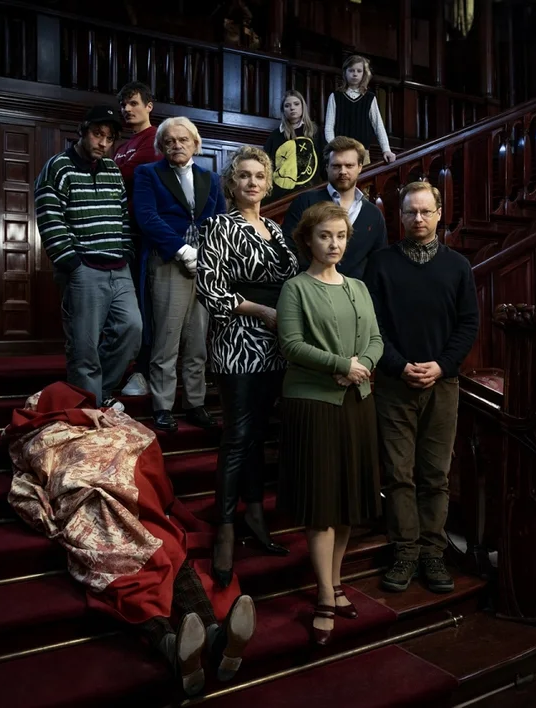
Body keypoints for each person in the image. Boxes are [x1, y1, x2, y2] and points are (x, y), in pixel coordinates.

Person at [4, 382, 257, 697]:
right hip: (90, 507)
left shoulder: (102, 419)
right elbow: (32, 475)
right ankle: (177, 644)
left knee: (163, 546)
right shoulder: (38, 436)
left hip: (129, 504)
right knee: (127, 563)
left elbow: (138, 441)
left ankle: (213, 636)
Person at [365, 181, 479, 594]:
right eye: (410, 212)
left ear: (439, 214)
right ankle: (405, 552)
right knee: (398, 474)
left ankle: (433, 552)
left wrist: (442, 366)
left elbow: (469, 324)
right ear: (400, 216)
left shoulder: (458, 266)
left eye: (425, 211)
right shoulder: (381, 263)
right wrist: (399, 366)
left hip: (442, 384)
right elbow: (372, 324)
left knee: (435, 474)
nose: (418, 218)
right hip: (394, 384)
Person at [277, 202, 383, 646]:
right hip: (313, 404)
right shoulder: (295, 288)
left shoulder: (358, 287)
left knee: (345, 502)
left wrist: (362, 367)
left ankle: (336, 582)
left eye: (340, 236)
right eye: (325, 236)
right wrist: (341, 365)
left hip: (357, 402)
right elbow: (290, 345)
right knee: (322, 504)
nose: (334, 244)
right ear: (309, 240)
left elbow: (376, 339)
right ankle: (324, 594)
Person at [196, 146, 300, 586]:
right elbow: (210, 288)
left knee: (258, 434)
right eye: (244, 175)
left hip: (276, 346)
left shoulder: (276, 229)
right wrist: (260, 311)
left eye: (259, 175)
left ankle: (255, 515)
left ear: (268, 182)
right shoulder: (218, 226)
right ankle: (224, 530)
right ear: (231, 183)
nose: (252, 182)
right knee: (238, 436)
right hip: (237, 342)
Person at [34, 105, 142, 410]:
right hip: (83, 267)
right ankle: (88, 407)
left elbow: (122, 216)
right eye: (97, 134)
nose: (103, 143)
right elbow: (49, 215)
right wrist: (70, 262)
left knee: (132, 329)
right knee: (84, 344)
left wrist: (126, 252)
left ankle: (98, 391)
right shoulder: (58, 166)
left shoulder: (112, 170)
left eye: (110, 138)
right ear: (83, 131)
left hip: (118, 266)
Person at [133, 117, 224, 433]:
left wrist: (207, 256)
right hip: (168, 261)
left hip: (204, 266)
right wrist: (181, 250)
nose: (177, 145)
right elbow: (146, 217)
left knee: (198, 340)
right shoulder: (148, 173)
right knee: (167, 339)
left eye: (183, 140)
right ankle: (163, 406)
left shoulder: (211, 178)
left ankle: (195, 403)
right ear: (161, 146)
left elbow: (219, 220)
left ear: (196, 144)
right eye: (169, 141)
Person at [280, 137, 387, 279]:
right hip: (310, 286)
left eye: (349, 165)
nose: (343, 171)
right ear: (327, 167)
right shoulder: (305, 201)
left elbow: (379, 262)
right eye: (336, 166)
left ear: (360, 167)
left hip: (354, 290)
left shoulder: (373, 214)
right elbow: (288, 248)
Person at [113, 81, 158, 397]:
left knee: (144, 305)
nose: (127, 110)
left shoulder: (155, 138)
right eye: (123, 105)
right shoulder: (122, 146)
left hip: (142, 235)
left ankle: (143, 371)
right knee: (120, 307)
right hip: (119, 234)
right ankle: (122, 366)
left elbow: (127, 175)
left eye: (133, 103)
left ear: (148, 106)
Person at [323, 55, 396, 165]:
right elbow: (329, 127)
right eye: (351, 70)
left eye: (359, 71)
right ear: (345, 72)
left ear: (364, 74)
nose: (355, 74)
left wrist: (386, 149)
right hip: (340, 151)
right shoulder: (335, 96)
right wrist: (334, 148)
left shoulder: (369, 98)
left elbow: (378, 126)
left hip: (362, 152)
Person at [263, 90, 326, 202]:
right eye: (287, 105)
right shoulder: (275, 136)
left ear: (303, 107)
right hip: (281, 196)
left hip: (308, 191)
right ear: (283, 110)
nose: (292, 108)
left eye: (296, 104)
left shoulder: (315, 132)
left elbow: (323, 161)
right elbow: (267, 165)